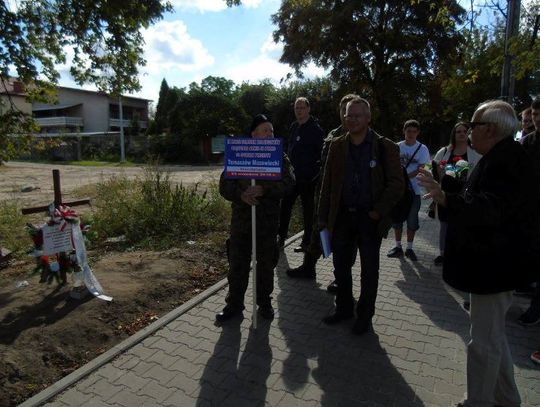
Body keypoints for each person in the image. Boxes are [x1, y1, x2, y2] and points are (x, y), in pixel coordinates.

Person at [417, 100, 540, 407]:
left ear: (491, 129)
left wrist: (446, 198)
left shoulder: (507, 160)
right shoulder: (500, 155)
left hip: (494, 267)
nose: (469, 132)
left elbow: (489, 210)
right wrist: (445, 185)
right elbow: (477, 196)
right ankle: (508, 399)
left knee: (483, 344)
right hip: (494, 265)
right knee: (494, 336)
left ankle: (478, 402)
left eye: (473, 126)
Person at [318, 97, 403, 335]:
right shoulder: (336, 145)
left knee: (369, 270)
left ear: (368, 118)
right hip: (343, 216)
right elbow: (327, 184)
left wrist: (378, 211)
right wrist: (322, 217)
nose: (352, 119)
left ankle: (365, 316)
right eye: (348, 115)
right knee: (340, 267)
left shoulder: (385, 146)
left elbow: (397, 184)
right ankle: (344, 308)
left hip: (369, 219)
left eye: (357, 115)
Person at [216, 114, 295, 322]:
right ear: (254, 134)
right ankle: (234, 305)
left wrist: (264, 189)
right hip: (241, 223)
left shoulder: (279, 157)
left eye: (272, 130)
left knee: (266, 266)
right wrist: (241, 195)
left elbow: (289, 184)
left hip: (267, 223)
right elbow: (224, 186)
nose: (270, 134)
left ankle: (264, 303)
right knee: (237, 266)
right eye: (265, 130)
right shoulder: (238, 154)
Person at [286, 94, 358, 292]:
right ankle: (308, 267)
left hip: (347, 199)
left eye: (350, 110)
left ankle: (340, 279)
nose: (346, 114)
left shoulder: (361, 136)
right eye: (343, 109)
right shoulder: (333, 134)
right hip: (324, 194)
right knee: (318, 232)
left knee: (345, 242)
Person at [278, 97, 325, 252]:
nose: (299, 111)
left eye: (302, 107)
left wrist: (314, 174)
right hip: (292, 178)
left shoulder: (315, 129)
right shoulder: (293, 127)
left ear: (308, 109)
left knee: (308, 212)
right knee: (284, 207)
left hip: (308, 179)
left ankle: (306, 242)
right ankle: (280, 239)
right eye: (297, 108)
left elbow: (322, 154)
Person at [431, 122, 481, 266]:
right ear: (454, 134)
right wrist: (438, 177)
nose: (461, 134)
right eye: (458, 131)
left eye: (464, 131)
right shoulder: (445, 152)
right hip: (445, 194)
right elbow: (433, 167)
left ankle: (458, 254)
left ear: (468, 134)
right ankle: (442, 254)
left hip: (464, 195)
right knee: (445, 225)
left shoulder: (475, 153)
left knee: (460, 225)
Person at [387, 120, 430, 262]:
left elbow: (422, 168)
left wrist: (404, 177)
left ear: (418, 133)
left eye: (414, 131)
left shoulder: (422, 149)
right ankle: (398, 246)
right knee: (397, 219)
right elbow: (391, 166)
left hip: (414, 191)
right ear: (404, 131)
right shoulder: (397, 146)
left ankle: (409, 248)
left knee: (412, 221)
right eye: (408, 131)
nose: (411, 134)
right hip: (398, 191)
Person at [517, 96, 540, 325]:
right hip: (529, 212)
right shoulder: (526, 143)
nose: (537, 119)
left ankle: (535, 308)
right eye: (535, 114)